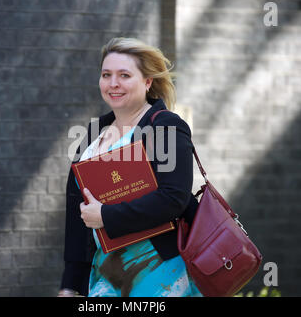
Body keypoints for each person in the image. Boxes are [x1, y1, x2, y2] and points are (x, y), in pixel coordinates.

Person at [58, 37, 201, 297]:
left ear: (147, 82)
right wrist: (70, 284)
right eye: (106, 74)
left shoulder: (165, 126)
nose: (113, 83)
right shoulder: (91, 135)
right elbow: (76, 216)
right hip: (104, 277)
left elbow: (174, 198)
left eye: (124, 75)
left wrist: (106, 216)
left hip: (161, 272)